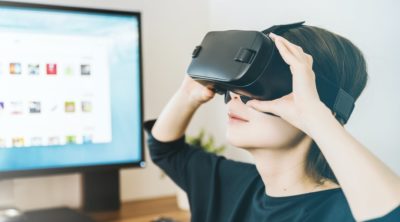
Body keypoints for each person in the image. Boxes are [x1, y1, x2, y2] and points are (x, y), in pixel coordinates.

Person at [143, 24, 400, 221]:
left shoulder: (347, 211)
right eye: (237, 86)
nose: (235, 95)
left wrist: (316, 116)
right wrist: (188, 93)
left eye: (258, 86)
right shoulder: (229, 184)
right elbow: (165, 150)